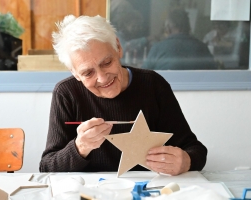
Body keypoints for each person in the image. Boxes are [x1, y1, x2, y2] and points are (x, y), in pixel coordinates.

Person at [39, 15, 207, 176]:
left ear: (118, 48)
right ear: (75, 73)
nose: (103, 78)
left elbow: (195, 149)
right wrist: (79, 147)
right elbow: (47, 167)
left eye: (107, 63)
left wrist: (186, 161)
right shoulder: (66, 93)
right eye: (88, 73)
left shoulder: (153, 84)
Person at [141, 9, 216, 70]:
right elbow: (213, 74)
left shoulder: (157, 48)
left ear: (168, 28)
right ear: (188, 27)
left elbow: (143, 76)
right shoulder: (203, 48)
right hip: (194, 88)